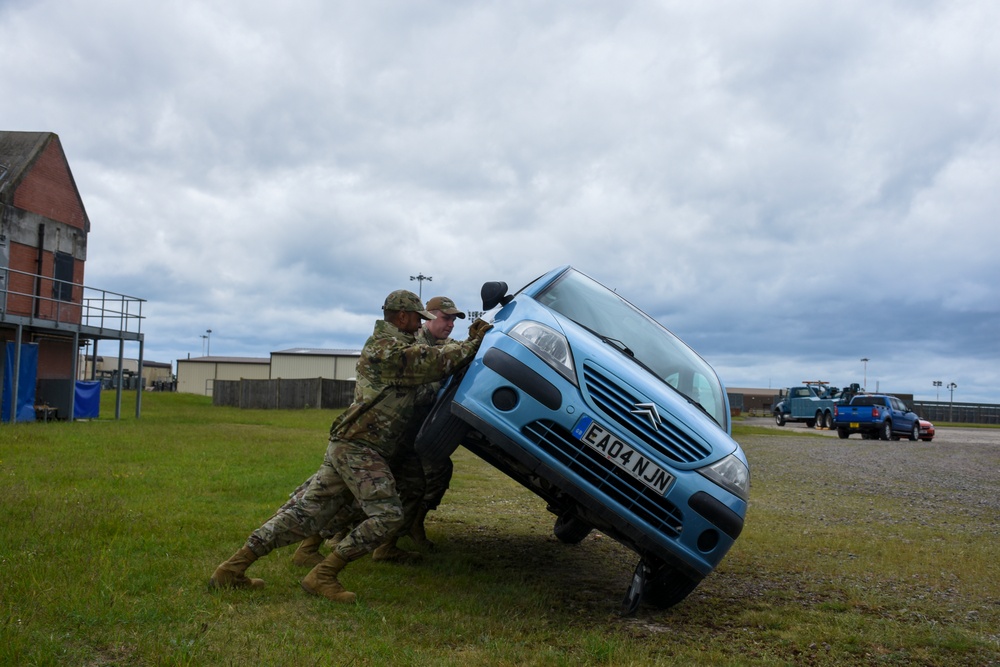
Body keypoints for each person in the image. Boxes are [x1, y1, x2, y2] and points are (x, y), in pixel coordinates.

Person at [209, 290, 492, 603]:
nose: (420, 324)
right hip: (360, 446)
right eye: (417, 318)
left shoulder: (400, 344)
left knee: (304, 513)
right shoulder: (387, 349)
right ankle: (323, 575)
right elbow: (437, 362)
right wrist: (473, 342)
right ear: (401, 317)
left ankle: (232, 569)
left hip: (353, 445)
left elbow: (434, 356)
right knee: (387, 515)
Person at [407, 295, 465, 549]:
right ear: (429, 318)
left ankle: (411, 526)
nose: (451, 324)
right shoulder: (416, 345)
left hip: (415, 429)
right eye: (446, 318)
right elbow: (417, 391)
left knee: (437, 471)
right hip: (395, 427)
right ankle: (332, 536)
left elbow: (456, 349)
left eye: (453, 319)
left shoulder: (440, 343)